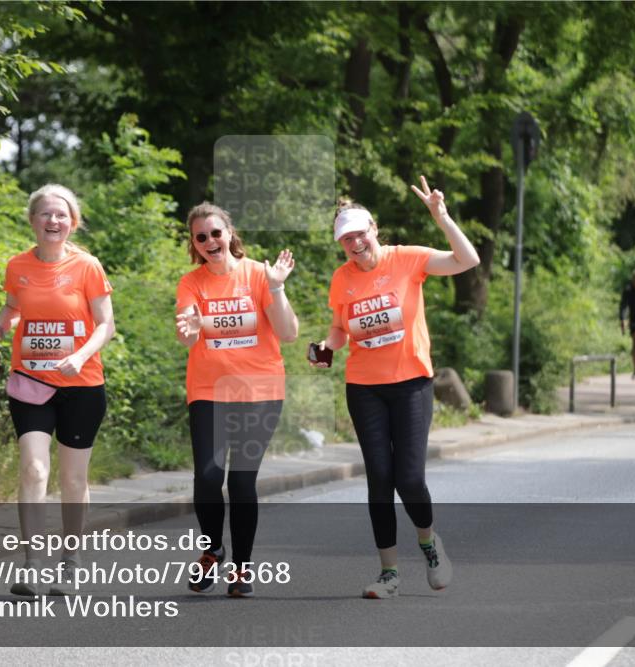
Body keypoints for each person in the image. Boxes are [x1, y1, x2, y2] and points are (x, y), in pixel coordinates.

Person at [312, 176, 479, 599]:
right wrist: (324, 347)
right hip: (364, 387)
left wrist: (441, 218)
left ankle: (429, 543)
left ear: (374, 230)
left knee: (408, 478)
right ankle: (388, 574)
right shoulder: (342, 278)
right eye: (346, 238)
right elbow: (339, 329)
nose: (354, 243)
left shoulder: (407, 259)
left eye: (360, 234)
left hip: (411, 384)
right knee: (379, 480)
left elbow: (467, 260)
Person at [0, 184, 115, 595]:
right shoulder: (17, 265)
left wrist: (81, 355)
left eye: (61, 215)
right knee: (34, 469)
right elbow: (14, 306)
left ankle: (71, 560)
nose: (53, 221)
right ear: (33, 220)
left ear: (72, 222)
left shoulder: (88, 266)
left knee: (73, 480)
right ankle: (32, 564)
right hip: (30, 381)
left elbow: (106, 324)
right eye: (45, 214)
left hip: (82, 384)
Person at [175, 202, 298, 597]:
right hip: (209, 391)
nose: (210, 242)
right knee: (208, 479)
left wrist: (276, 287)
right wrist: (191, 327)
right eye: (201, 237)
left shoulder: (258, 275)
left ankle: (242, 568)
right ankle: (212, 549)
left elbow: (289, 332)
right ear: (194, 244)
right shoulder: (191, 283)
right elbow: (188, 336)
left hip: (259, 391)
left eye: (215, 233)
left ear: (229, 233)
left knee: (242, 482)